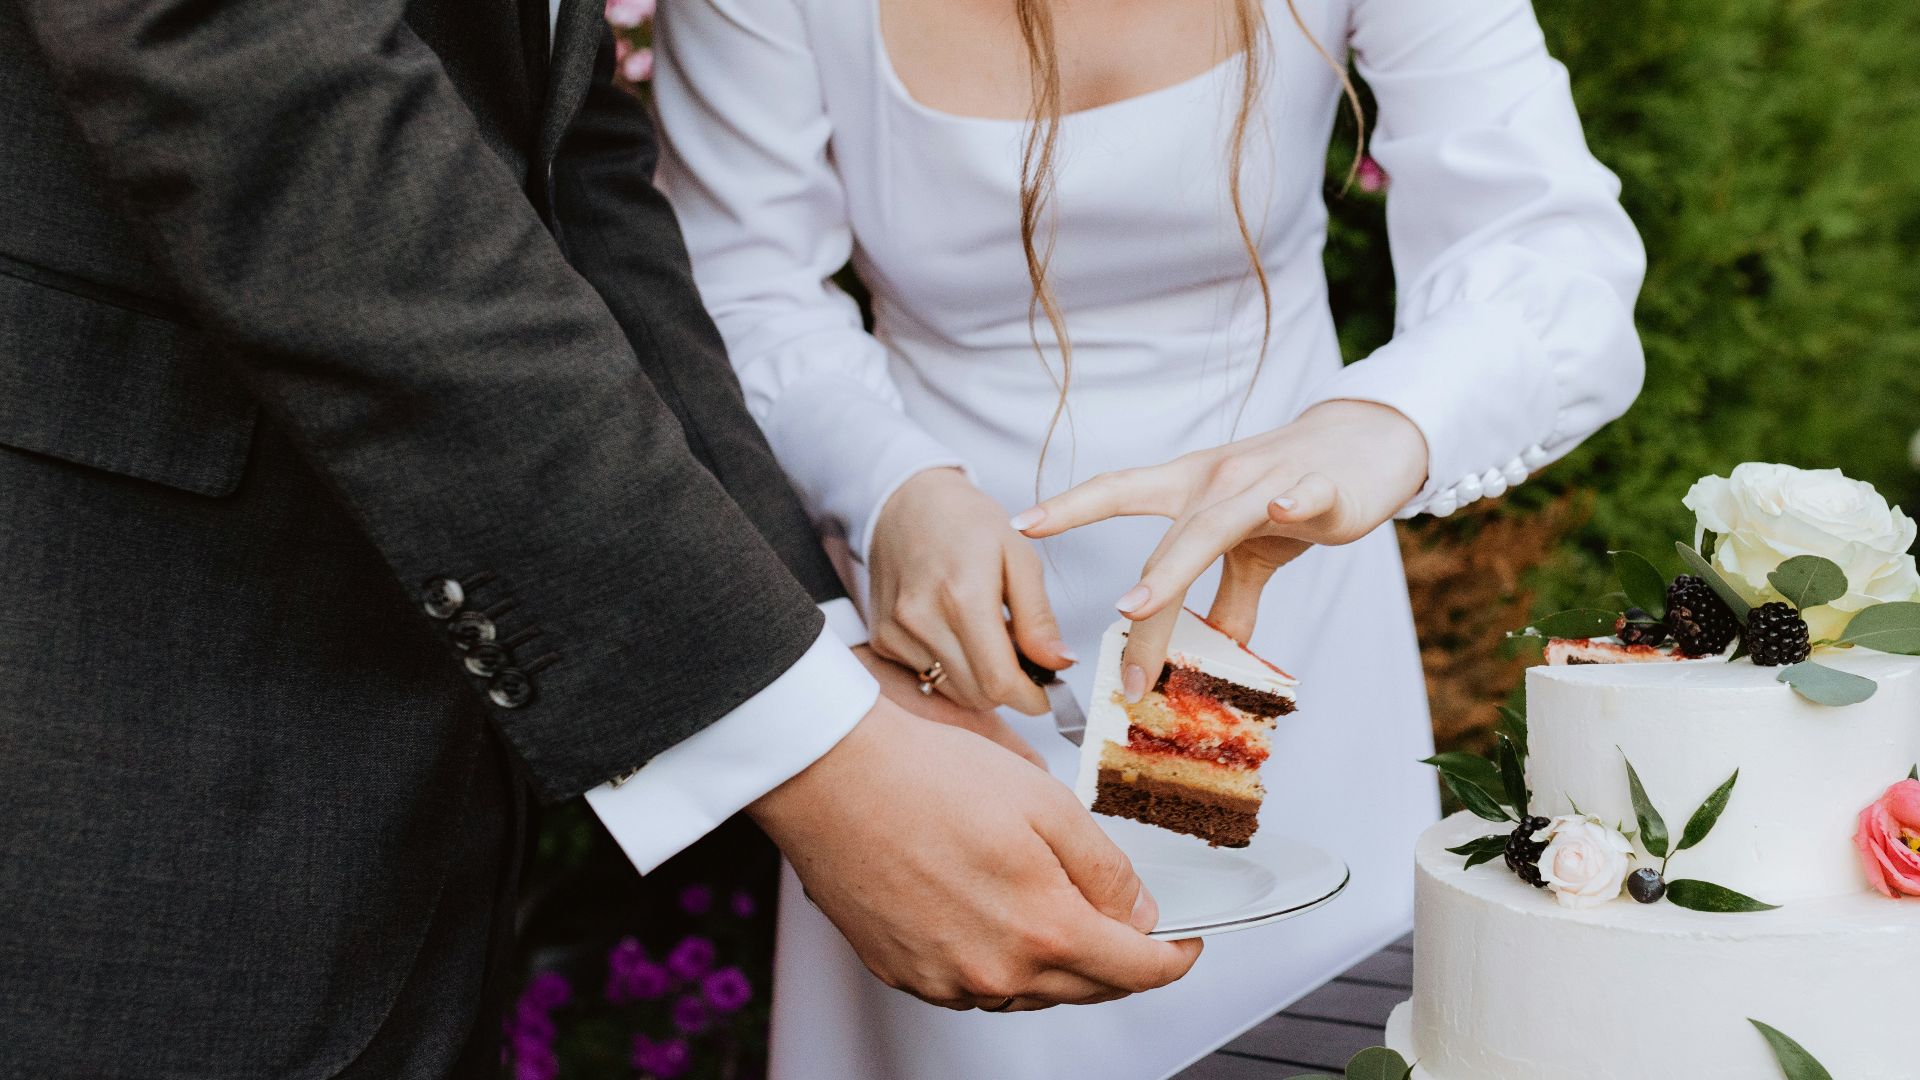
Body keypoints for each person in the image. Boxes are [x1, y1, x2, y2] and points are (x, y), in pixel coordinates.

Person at [0, 0, 1201, 1075]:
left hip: (408, 763)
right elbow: (250, 56)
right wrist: (797, 739)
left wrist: (816, 653)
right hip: (127, 706)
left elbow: (557, 149)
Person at [652, 0, 1646, 1074]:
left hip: (1281, 597)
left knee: (1332, 1024)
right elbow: (736, 290)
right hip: (952, 639)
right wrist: (889, 490)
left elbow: (1551, 242)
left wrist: (1379, 426)